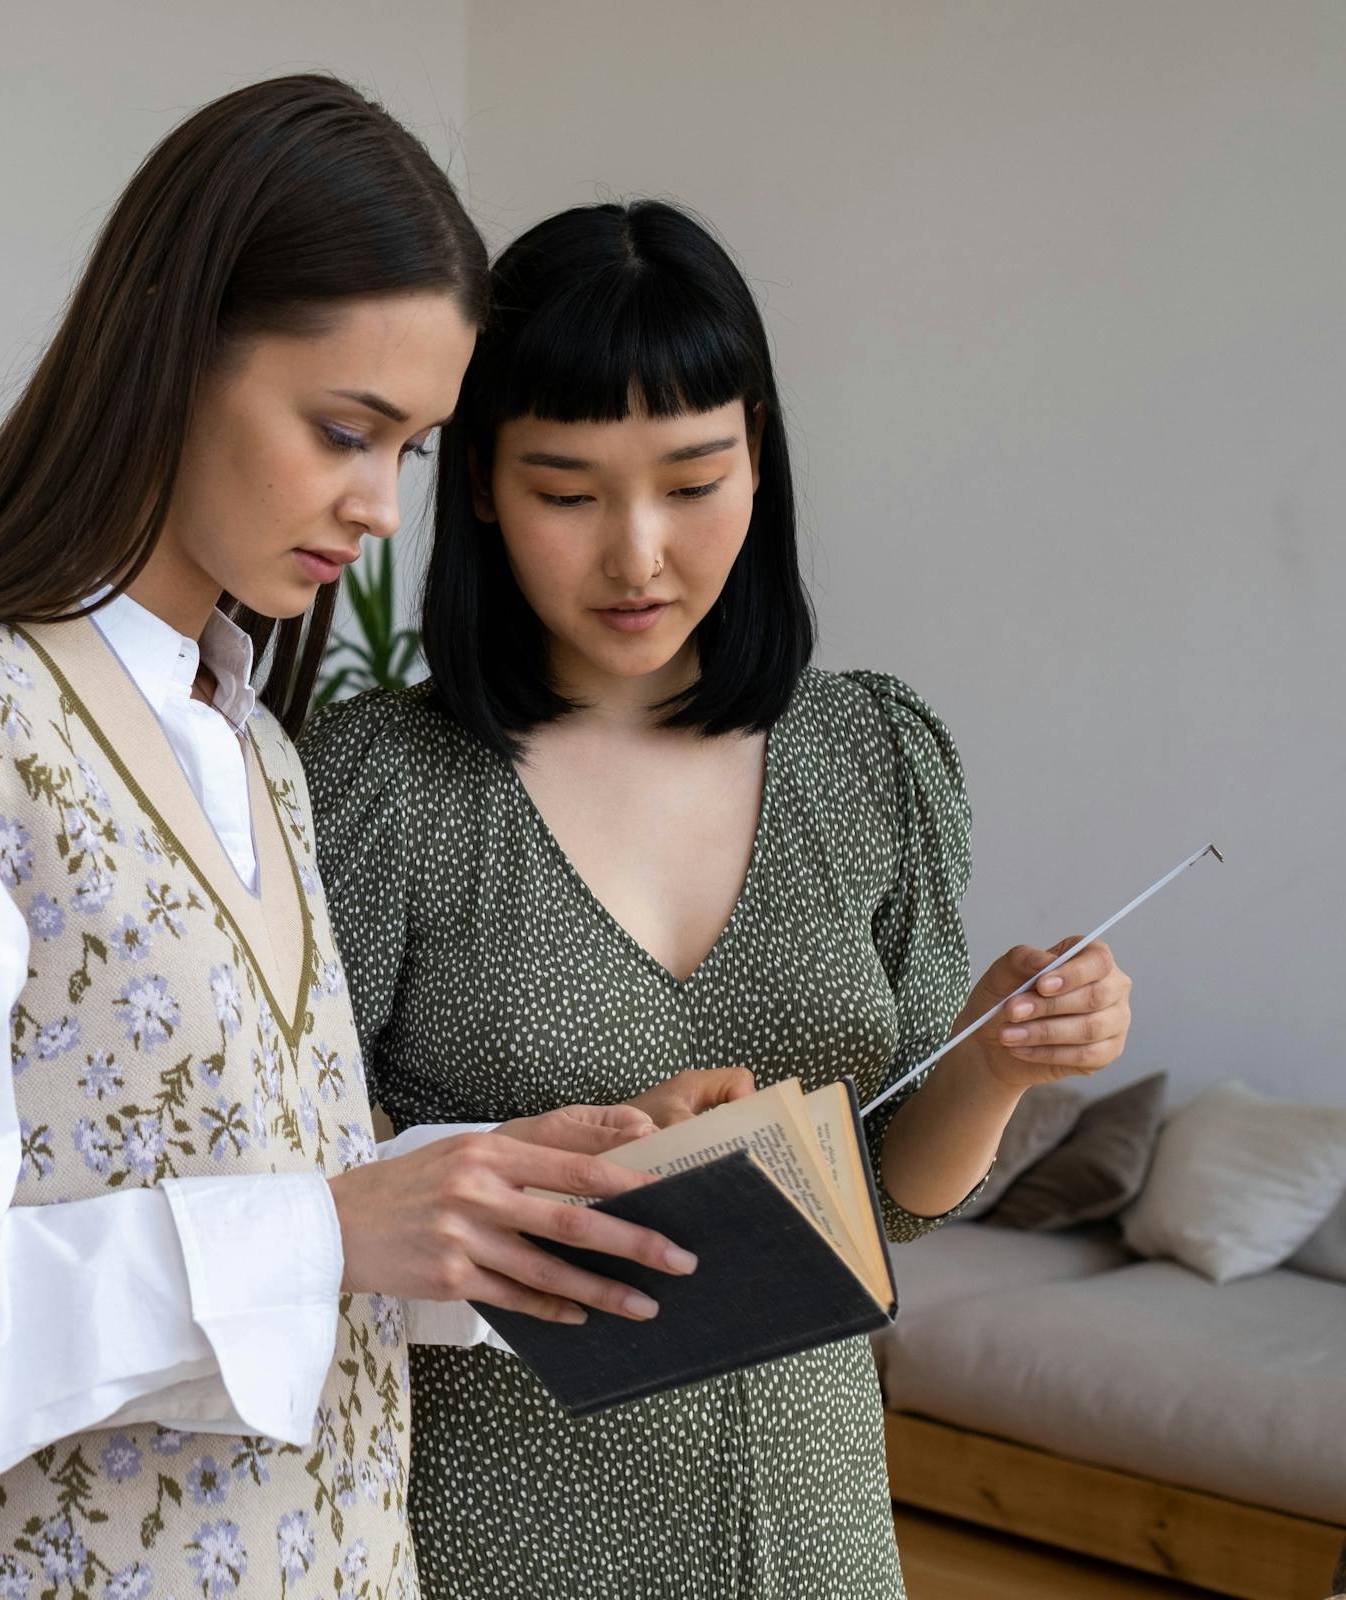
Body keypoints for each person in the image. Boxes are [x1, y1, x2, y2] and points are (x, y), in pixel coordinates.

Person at [0, 80, 695, 1600]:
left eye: (409, 450)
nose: (377, 510)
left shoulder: (252, 749)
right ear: (172, 345)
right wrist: (331, 1232)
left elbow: (248, 1180)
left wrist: (475, 1189)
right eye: (346, 430)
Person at [302, 200, 1136, 1599]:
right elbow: (306, 1183)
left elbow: (896, 1200)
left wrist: (994, 1057)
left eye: (694, 483)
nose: (639, 554)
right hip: (497, 1526)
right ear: (486, 491)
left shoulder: (868, 761)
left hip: (812, 1524)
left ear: (762, 463)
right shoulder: (390, 788)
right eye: (570, 493)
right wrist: (580, 1162)